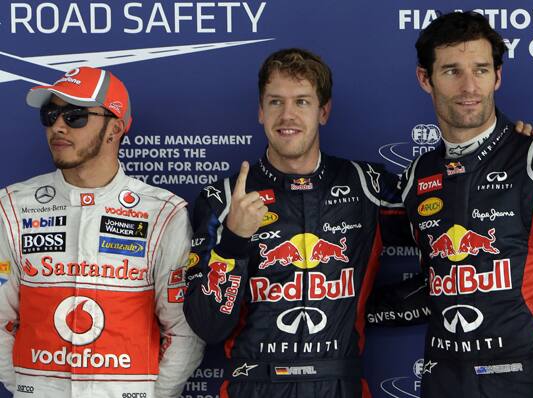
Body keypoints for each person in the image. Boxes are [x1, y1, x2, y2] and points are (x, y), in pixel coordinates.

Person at [183, 48, 418, 398]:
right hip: (254, 384)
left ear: (323, 111)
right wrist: (233, 240)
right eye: (275, 102)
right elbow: (207, 325)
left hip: (340, 384)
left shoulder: (367, 185)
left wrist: (367, 308)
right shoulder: (223, 197)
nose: (287, 116)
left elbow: (448, 233)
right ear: (261, 112)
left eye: (302, 102)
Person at [392, 11, 533, 397]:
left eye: (480, 69)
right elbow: (435, 285)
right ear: (425, 79)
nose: (468, 86)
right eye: (451, 71)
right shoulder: (418, 176)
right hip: (441, 384)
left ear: (497, 76)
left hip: (528, 385)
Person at [0, 66, 204, 397]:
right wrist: (28, 388)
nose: (58, 126)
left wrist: (153, 394)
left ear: (115, 129)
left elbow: (183, 330)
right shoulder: (12, 207)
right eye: (50, 114)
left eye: (76, 116)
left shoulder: (162, 213)